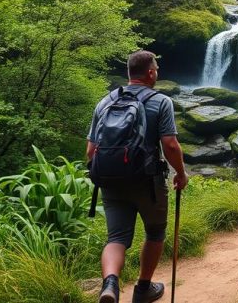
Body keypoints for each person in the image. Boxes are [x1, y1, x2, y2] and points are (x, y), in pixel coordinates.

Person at [86, 50, 188, 303]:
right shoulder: (160, 101)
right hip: (148, 182)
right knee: (154, 233)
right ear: (151, 72)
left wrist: (112, 170)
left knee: (117, 238)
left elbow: (91, 151)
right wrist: (181, 173)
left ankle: (110, 285)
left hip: (110, 180)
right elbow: (171, 145)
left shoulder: (105, 102)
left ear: (129, 73)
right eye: (156, 69)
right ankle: (143, 289)